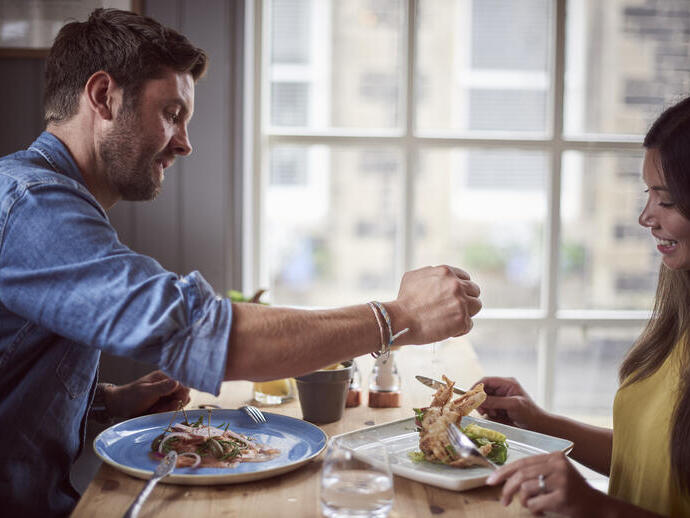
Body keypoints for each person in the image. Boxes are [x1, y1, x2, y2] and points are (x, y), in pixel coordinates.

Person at [0, 8, 482, 517]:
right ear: (103, 97)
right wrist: (399, 316)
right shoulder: (33, 207)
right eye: (172, 114)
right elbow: (205, 335)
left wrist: (106, 403)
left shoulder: (43, 200)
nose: (185, 143)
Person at [476, 96, 690, 517]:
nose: (646, 217)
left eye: (665, 200)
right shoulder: (680, 313)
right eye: (648, 194)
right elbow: (651, 462)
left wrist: (594, 505)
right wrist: (539, 424)